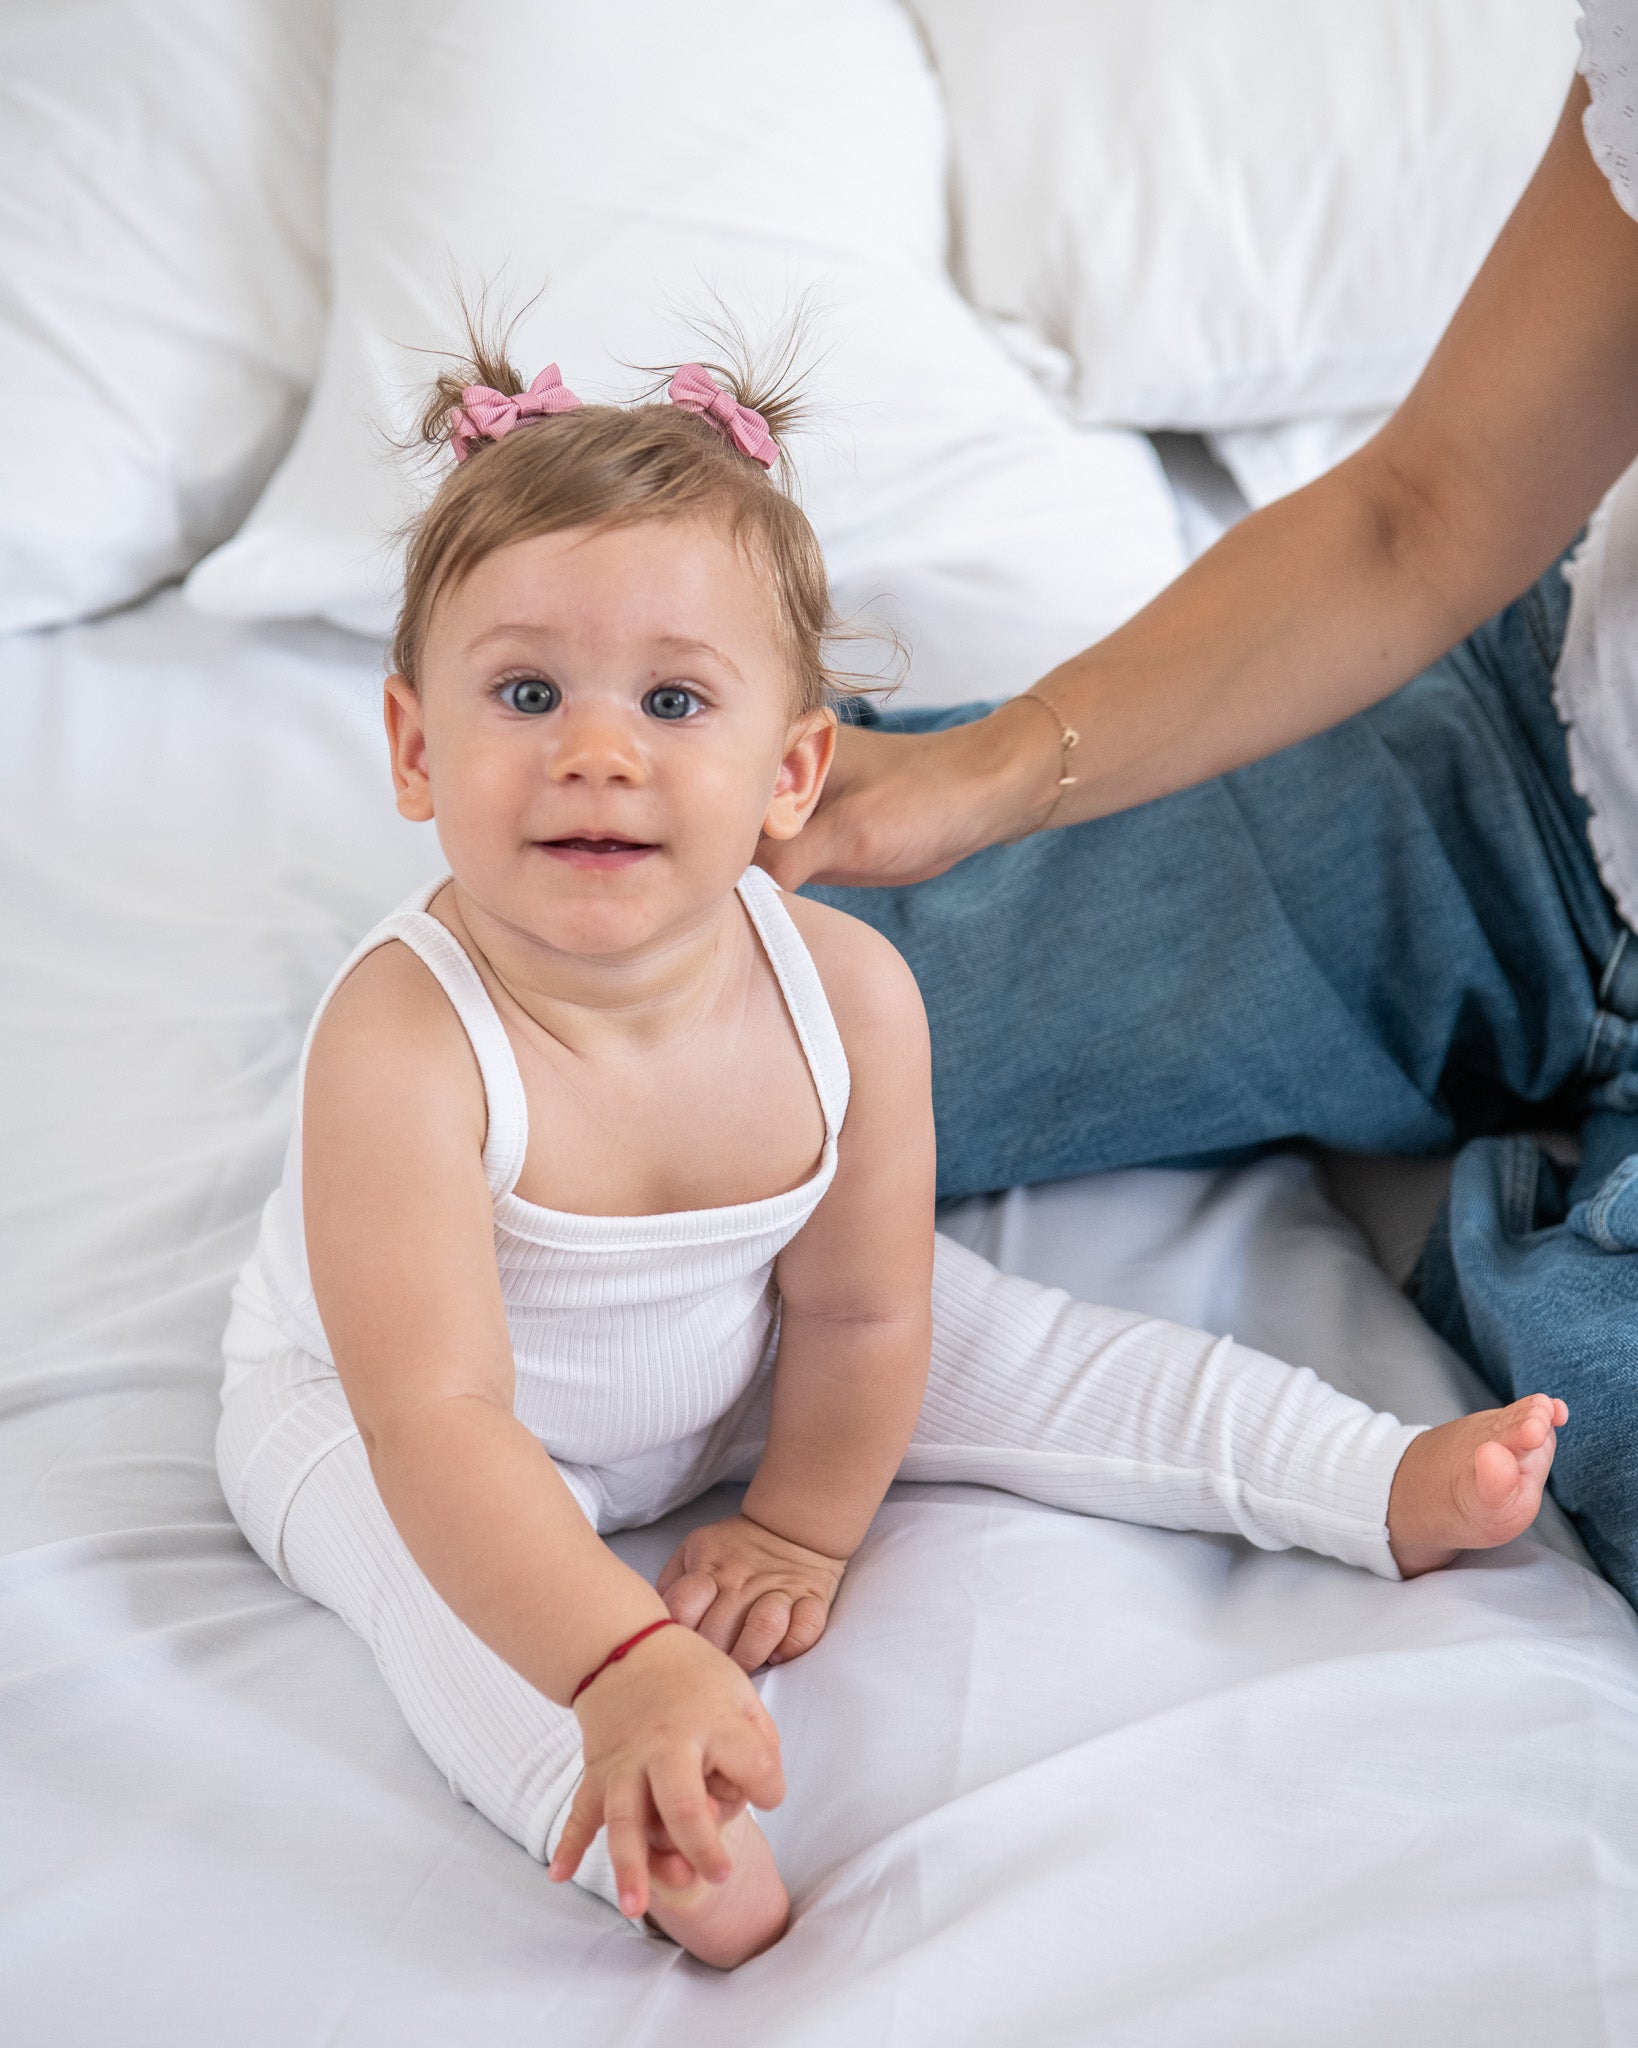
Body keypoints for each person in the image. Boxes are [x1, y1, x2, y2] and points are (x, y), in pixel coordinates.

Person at [216, 338, 1564, 1969]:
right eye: (523, 694)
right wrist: (620, 1658)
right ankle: (659, 1818)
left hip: (737, 1339)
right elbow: (436, 1419)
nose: (597, 751)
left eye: (672, 700)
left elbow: (861, 1315)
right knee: (430, 1597)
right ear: (415, 748)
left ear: (793, 769)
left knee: (1023, 1344)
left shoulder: (845, 989)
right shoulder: (402, 1044)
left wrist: (801, 1521)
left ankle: (1365, 1477)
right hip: (398, 1420)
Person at [760, 27, 1638, 1609]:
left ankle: (1530, 1246)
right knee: (689, 1032)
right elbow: (1416, 514)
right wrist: (1001, 769)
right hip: (1537, 785)